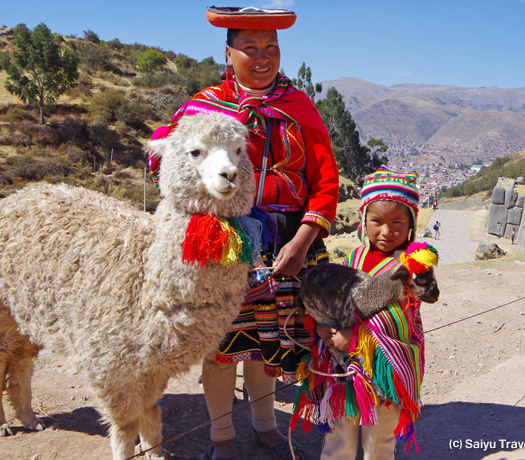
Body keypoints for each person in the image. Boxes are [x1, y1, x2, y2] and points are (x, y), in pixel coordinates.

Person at [149, 7, 339, 459]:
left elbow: (325, 180)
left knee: (266, 345)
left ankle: (264, 423)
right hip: (222, 243)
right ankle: (222, 438)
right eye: (249, 48)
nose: (262, 57)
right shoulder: (202, 108)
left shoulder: (298, 107)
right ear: (228, 52)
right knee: (220, 345)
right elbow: (167, 161)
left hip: (290, 241)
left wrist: (302, 240)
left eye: (271, 48)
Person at [291, 166, 430, 460]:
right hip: (342, 369)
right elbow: (334, 303)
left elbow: (400, 317)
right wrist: (321, 327)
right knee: (339, 433)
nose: (386, 231)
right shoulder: (353, 259)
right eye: (377, 221)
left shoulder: (412, 267)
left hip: (385, 367)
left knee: (379, 440)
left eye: (397, 222)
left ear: (412, 224)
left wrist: (355, 337)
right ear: (363, 220)